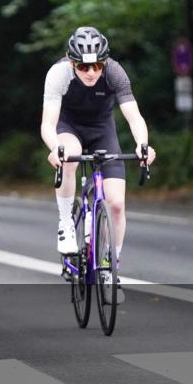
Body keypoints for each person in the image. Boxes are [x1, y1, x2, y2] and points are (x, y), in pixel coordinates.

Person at [40, 26, 156, 304]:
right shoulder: (58, 74)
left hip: (103, 129)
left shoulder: (115, 72)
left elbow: (134, 116)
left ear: (105, 62)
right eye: (83, 66)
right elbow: (47, 124)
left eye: (96, 65)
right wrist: (55, 148)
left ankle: (109, 266)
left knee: (116, 204)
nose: (91, 72)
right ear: (71, 62)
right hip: (69, 127)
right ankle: (66, 222)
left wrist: (143, 145)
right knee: (70, 155)